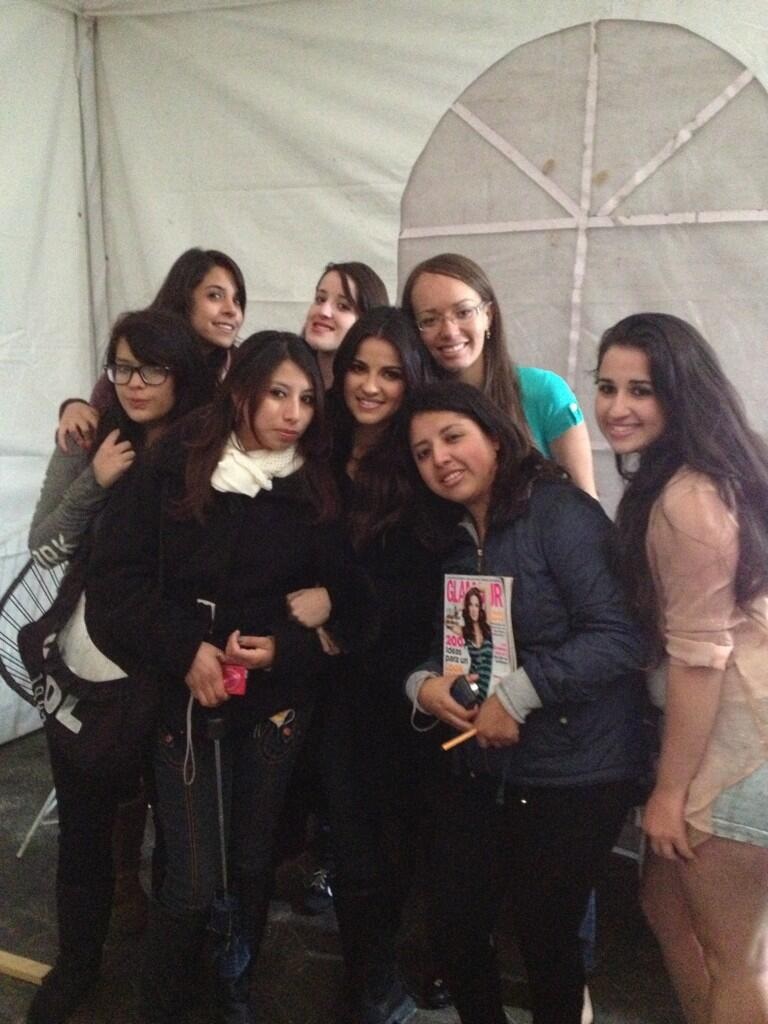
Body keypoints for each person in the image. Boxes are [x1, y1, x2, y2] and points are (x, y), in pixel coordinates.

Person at [84, 332, 374, 1024]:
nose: (293, 414)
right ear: (240, 389)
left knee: (251, 860)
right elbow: (114, 585)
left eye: (307, 399)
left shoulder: (318, 485)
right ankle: (163, 1004)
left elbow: (353, 610)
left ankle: (232, 991)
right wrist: (186, 650)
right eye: (277, 393)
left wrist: (285, 648)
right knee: (190, 877)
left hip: (277, 706)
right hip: (185, 703)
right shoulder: (175, 465)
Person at [403, 380, 648, 1024]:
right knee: (455, 925)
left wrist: (517, 695)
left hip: (578, 768)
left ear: (495, 436)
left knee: (545, 936)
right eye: (423, 452)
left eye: (452, 437)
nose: (439, 459)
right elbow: (451, 648)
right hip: (490, 766)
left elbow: (622, 635)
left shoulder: (560, 513)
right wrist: (423, 685)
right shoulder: (455, 535)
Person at [24, 309, 213, 1024]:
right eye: (123, 367)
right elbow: (44, 546)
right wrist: (95, 480)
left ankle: (168, 977)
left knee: (176, 833)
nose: (135, 383)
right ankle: (77, 964)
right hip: (88, 666)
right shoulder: (90, 438)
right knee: (84, 830)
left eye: (151, 368)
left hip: (172, 670)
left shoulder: (208, 451)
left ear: (181, 373)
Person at [594, 313, 768, 1024]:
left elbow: (700, 664)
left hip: (738, 752)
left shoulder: (689, 500)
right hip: (727, 737)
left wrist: (669, 794)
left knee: (735, 957)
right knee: (665, 906)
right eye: (607, 386)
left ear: (681, 392)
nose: (617, 407)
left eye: (641, 389)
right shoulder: (705, 476)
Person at [289, 306, 437, 1023]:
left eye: (389, 373)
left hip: (389, 686)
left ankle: (375, 979)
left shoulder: (420, 462)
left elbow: (428, 588)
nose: (370, 386)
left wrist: (342, 607)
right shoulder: (317, 447)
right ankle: (367, 977)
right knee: (341, 836)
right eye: (358, 368)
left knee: (377, 840)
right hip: (313, 676)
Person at [401, 252, 597, 497]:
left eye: (463, 312)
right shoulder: (413, 413)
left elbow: (587, 503)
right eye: (430, 320)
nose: (449, 331)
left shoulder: (544, 391)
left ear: (488, 315)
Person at [57, 247, 246, 449]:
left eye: (237, 300)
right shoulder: (128, 359)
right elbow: (93, 425)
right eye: (215, 296)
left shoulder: (243, 372)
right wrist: (74, 408)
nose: (231, 310)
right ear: (183, 297)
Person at [301, 261, 388, 387]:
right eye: (320, 299)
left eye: (343, 306)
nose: (323, 311)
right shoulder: (283, 371)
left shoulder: (370, 392)